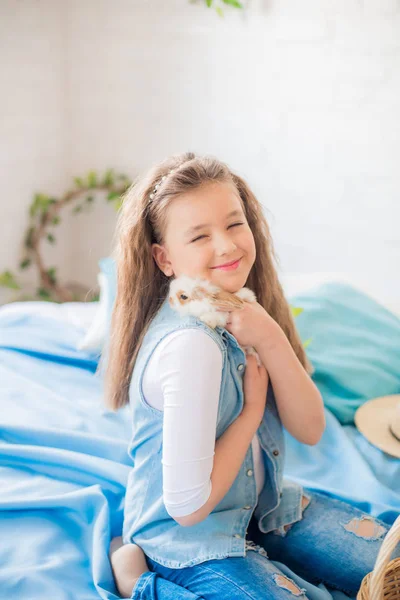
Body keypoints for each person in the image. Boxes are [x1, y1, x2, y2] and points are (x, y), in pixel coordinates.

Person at [104, 152, 399, 600]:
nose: (226, 246)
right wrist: (250, 414)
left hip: (264, 507)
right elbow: (187, 507)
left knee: (392, 570)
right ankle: (137, 582)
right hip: (191, 540)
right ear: (164, 258)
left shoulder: (246, 310)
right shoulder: (191, 346)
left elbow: (310, 428)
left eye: (234, 224)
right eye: (200, 235)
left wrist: (271, 335)